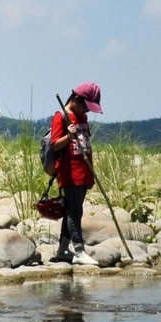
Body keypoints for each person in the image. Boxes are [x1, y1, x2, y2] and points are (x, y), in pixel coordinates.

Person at [49, 82, 103, 266]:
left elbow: (87, 147)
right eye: (86, 106)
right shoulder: (61, 117)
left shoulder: (82, 118)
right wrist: (68, 136)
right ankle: (79, 251)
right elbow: (55, 144)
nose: (87, 111)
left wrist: (91, 175)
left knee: (73, 211)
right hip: (69, 173)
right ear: (76, 99)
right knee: (75, 212)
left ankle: (63, 249)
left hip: (84, 171)